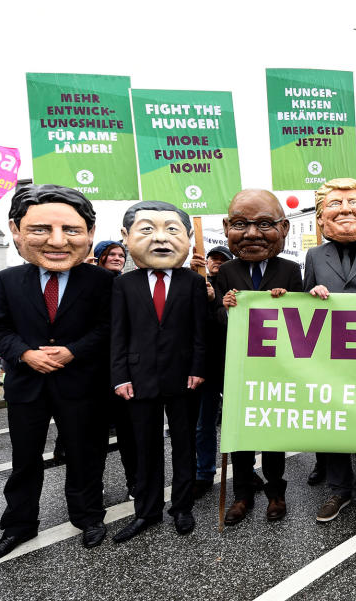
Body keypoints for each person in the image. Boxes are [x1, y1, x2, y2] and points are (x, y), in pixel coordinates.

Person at [0, 184, 113, 563]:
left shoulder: (102, 281)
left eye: (70, 230)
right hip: (27, 385)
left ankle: (88, 517)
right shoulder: (7, 280)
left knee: (86, 456)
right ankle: (18, 526)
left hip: (81, 385)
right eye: (40, 229)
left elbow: (108, 328)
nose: (56, 241)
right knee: (25, 460)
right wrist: (24, 353)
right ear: (17, 231)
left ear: (88, 233)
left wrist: (73, 351)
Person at [110, 201, 207, 543]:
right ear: (128, 237)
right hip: (139, 380)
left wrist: (198, 368)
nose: (160, 239)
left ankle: (181, 508)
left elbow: (200, 332)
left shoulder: (192, 282)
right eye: (148, 230)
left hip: (184, 378)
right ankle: (146, 512)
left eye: (171, 230)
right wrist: (120, 376)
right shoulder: (125, 284)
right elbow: (118, 334)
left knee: (184, 446)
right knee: (144, 448)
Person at [303, 178, 356, 523]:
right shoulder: (313, 255)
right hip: (328, 355)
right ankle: (337, 490)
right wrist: (311, 291)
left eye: (353, 203)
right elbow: (302, 299)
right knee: (333, 423)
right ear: (322, 218)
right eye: (335, 204)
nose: (345, 210)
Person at [215, 190, 303, 525]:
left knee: (271, 435)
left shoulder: (290, 270)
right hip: (238, 369)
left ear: (283, 229)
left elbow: (302, 322)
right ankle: (241, 496)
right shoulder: (226, 272)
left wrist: (288, 301)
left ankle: (276, 493)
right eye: (241, 224)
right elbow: (217, 322)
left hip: (274, 370)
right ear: (228, 228)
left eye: (264, 224)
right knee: (239, 436)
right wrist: (225, 308)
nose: (252, 233)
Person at [90, 239, 136, 497]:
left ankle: (135, 483)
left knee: (129, 433)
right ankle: (95, 485)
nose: (118, 258)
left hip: (122, 368)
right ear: (99, 257)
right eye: (111, 254)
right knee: (95, 435)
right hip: (96, 369)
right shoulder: (92, 284)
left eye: (121, 254)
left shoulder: (127, 284)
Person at [193, 244, 234, 499]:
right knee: (204, 424)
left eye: (222, 259)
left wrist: (214, 300)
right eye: (213, 259)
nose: (217, 263)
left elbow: (228, 316)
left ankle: (247, 469)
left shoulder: (232, 283)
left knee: (237, 420)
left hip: (231, 361)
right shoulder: (197, 282)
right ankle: (204, 472)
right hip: (206, 364)